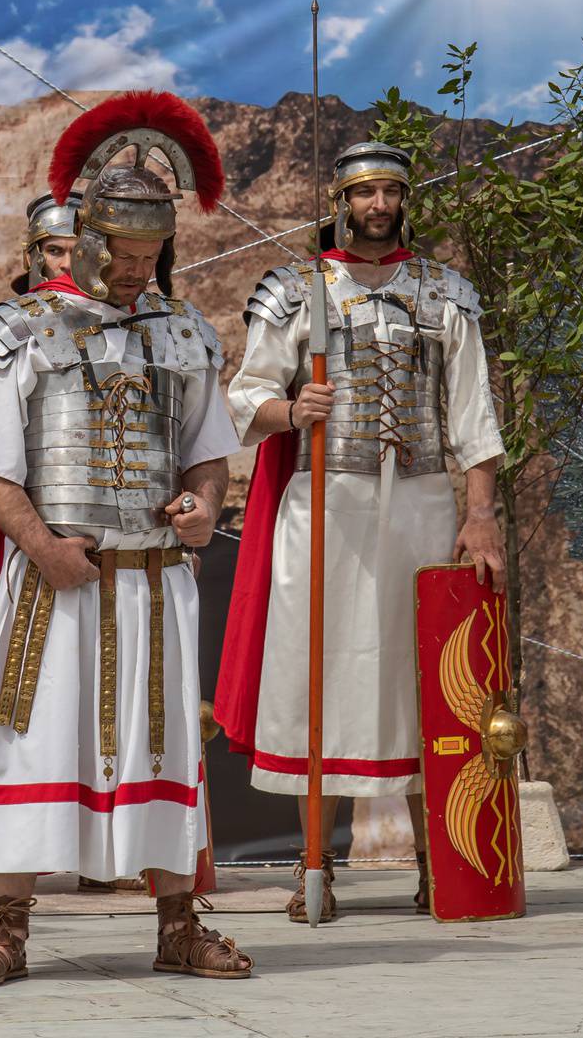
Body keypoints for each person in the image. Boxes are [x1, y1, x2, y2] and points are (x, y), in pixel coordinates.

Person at [0, 91, 252, 987]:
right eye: (124, 255)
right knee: (30, 740)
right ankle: (6, 927)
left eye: (153, 256)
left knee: (161, 748)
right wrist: (43, 547)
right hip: (55, 581)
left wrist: (201, 509)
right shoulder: (21, 331)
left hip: (154, 582)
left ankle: (176, 924)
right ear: (84, 239)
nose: (136, 272)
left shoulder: (183, 329)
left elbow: (208, 455)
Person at [216, 140, 505, 922]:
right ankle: (317, 866)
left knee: (426, 683)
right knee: (320, 674)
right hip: (323, 504)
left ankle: (438, 865)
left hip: (420, 504)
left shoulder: (446, 292)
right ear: (341, 200)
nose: (379, 205)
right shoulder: (294, 289)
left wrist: (479, 515)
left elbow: (474, 417)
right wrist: (291, 410)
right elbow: (244, 400)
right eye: (365, 192)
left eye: (391, 192)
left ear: (406, 199)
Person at [8, 192, 79, 295]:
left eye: (78, 253)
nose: (67, 265)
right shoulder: (11, 312)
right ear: (29, 258)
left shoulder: (108, 311)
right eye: (54, 251)